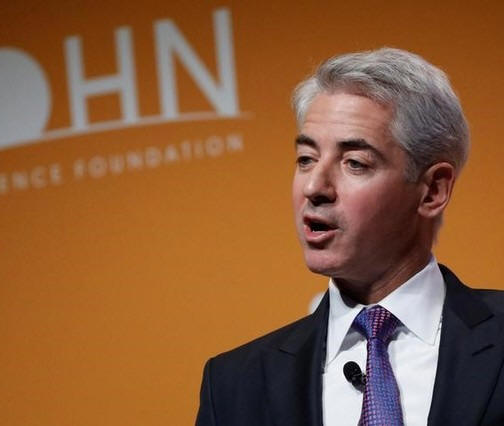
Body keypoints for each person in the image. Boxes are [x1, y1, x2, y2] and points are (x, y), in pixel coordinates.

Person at [195, 48, 504, 426]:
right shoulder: (234, 386)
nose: (314, 187)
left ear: (432, 191)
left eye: (354, 163)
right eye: (306, 159)